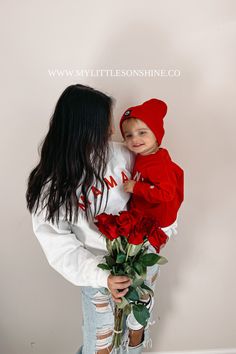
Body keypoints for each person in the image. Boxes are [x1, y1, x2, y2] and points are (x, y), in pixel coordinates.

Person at [26, 85, 178, 354]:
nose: (111, 131)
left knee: (136, 329)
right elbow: (57, 243)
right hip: (97, 269)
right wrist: (100, 275)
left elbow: (163, 185)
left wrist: (160, 231)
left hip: (140, 257)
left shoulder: (124, 154)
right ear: (85, 127)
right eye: (105, 123)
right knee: (101, 342)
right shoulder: (53, 184)